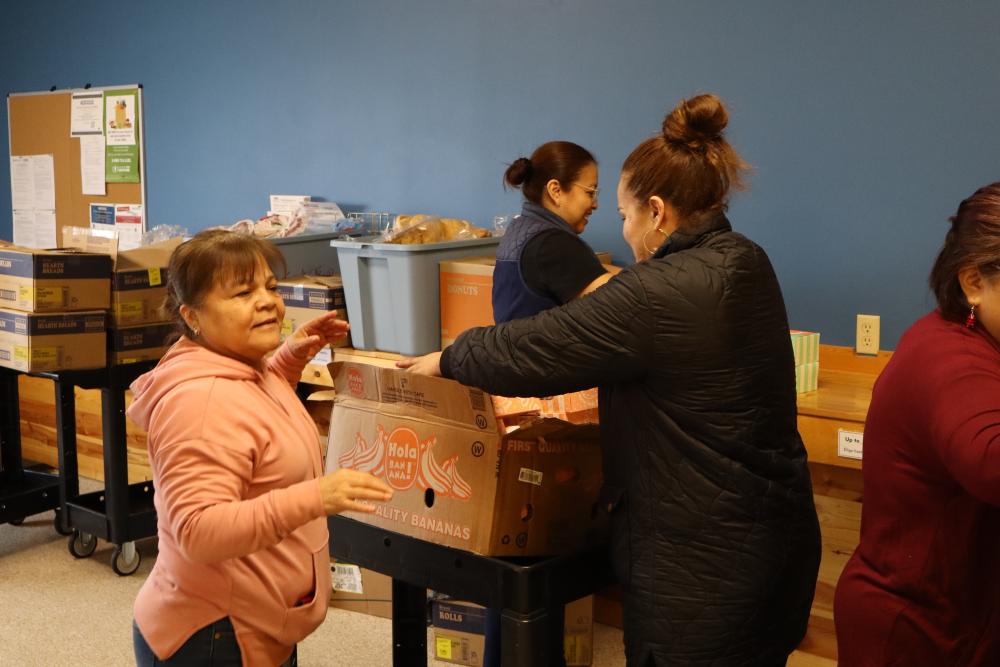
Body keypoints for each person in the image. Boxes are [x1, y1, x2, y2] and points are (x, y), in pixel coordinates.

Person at [400, 94, 821, 665]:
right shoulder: (747, 259)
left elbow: (543, 345)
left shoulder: (658, 291)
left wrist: (449, 358)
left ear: (656, 211)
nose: (622, 231)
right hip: (775, 541)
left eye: (624, 216)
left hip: (698, 568)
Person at [127, 230, 393, 667]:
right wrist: (315, 497)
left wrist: (288, 361)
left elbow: (252, 425)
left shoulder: (239, 364)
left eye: (270, 286)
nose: (268, 301)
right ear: (193, 316)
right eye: (242, 292)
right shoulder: (200, 402)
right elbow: (197, 530)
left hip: (254, 621)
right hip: (215, 636)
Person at [833, 183, 1000, 665]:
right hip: (912, 630)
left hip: (959, 616)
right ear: (973, 282)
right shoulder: (948, 355)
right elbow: (990, 461)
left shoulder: (979, 338)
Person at [494, 140, 617, 323]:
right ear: (556, 190)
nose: (595, 204)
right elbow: (622, 301)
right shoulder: (552, 244)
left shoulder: (522, 231)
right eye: (590, 193)